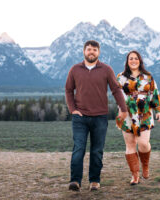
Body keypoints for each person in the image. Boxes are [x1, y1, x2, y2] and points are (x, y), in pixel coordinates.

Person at [65, 40, 128, 191]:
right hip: (80, 117)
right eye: (88, 49)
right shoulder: (75, 69)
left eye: (94, 49)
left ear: (98, 52)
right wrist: (73, 109)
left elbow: (116, 90)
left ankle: (94, 181)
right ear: (84, 51)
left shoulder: (106, 69)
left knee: (97, 150)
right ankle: (75, 181)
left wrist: (123, 109)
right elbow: (68, 90)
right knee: (78, 148)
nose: (91, 52)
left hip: (100, 117)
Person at [116, 50, 160, 185]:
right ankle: (135, 175)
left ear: (140, 60)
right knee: (130, 145)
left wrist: (159, 110)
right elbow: (117, 94)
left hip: (145, 113)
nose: (133, 60)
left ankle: (145, 165)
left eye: (136, 58)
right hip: (126, 114)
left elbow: (155, 93)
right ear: (127, 61)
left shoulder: (148, 77)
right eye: (130, 58)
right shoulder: (120, 77)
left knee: (143, 143)